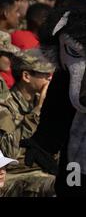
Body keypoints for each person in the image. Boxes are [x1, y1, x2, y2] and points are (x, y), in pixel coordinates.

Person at [0, 49, 56, 197]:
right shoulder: (5, 107)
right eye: (45, 75)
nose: (50, 79)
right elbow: (9, 152)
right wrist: (38, 111)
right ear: (26, 76)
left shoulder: (39, 100)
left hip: (41, 168)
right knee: (56, 186)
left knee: (78, 179)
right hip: (15, 174)